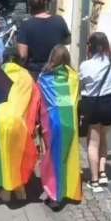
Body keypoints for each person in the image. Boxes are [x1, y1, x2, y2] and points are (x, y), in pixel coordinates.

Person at [0, 47, 39, 203]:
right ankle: (20, 189)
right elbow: (35, 99)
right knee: (18, 155)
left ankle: (7, 190)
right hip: (19, 121)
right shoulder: (26, 75)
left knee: (3, 156)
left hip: (0, 120)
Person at [38, 45, 82, 210]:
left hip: (53, 121)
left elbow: (40, 100)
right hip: (70, 121)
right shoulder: (74, 77)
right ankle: (68, 190)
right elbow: (76, 98)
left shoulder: (44, 78)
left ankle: (55, 196)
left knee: (54, 158)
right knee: (68, 157)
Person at [79, 32, 111, 191]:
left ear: (90, 47)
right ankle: (103, 172)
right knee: (104, 136)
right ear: (106, 46)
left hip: (94, 104)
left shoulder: (86, 65)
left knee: (93, 142)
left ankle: (95, 181)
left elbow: (82, 84)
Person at [17, 0, 71, 75]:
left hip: (34, 73)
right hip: (56, 71)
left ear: (30, 7)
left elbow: (23, 55)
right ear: (45, 5)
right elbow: (68, 40)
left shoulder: (26, 25)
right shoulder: (59, 20)